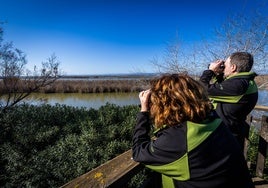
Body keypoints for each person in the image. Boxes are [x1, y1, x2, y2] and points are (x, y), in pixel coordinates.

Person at [132, 73, 254, 188]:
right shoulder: (212, 119)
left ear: (165, 106)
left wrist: (144, 111)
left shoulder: (179, 140)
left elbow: (138, 152)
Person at [200, 51, 258, 150]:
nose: (223, 67)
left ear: (233, 67)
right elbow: (221, 88)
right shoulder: (246, 82)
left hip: (225, 138)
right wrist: (218, 74)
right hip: (232, 133)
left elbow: (200, 89)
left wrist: (209, 71)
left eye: (225, 65)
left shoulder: (238, 86)